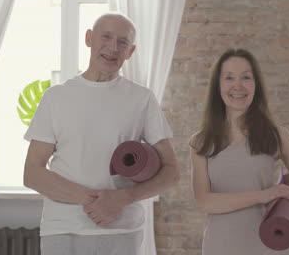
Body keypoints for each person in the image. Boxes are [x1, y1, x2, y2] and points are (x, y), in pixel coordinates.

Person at [23, 13, 179, 255]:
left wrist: (121, 199)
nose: (113, 48)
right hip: (62, 230)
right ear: (89, 38)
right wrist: (94, 201)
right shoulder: (56, 97)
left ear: (131, 51)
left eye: (123, 42)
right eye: (106, 37)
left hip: (121, 232)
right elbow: (32, 173)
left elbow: (171, 171)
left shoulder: (142, 99)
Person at [190, 48, 289, 255]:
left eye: (246, 77)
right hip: (221, 246)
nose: (238, 85)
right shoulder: (201, 142)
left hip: (271, 247)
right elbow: (204, 202)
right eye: (229, 78)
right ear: (218, 86)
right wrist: (264, 195)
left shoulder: (277, 136)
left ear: (256, 85)